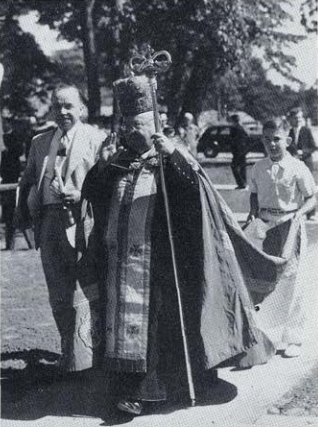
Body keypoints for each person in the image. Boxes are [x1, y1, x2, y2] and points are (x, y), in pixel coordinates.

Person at [81, 74, 278, 416]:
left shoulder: (174, 157)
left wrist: (172, 159)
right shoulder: (118, 161)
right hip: (119, 263)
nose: (130, 130)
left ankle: (154, 389)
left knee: (163, 326)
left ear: (155, 123)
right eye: (125, 123)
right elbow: (94, 194)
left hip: (163, 261)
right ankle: (125, 384)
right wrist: (100, 166)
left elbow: (194, 200)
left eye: (138, 123)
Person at [15, 83, 105, 374]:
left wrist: (82, 195)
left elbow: (107, 185)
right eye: (57, 105)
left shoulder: (97, 139)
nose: (63, 111)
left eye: (69, 105)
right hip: (49, 224)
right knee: (58, 293)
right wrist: (25, 209)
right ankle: (70, 354)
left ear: (81, 108)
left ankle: (93, 356)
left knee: (88, 290)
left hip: (82, 223)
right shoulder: (40, 142)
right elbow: (28, 179)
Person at [248, 120, 316, 358]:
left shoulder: (297, 167)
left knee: (293, 280)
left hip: (290, 225)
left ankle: (294, 338)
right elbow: (254, 195)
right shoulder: (258, 167)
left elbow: (311, 197)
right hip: (267, 226)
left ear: (287, 141)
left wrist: (300, 213)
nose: (272, 144)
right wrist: (253, 215)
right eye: (267, 139)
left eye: (276, 139)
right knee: (267, 280)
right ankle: (267, 335)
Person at [288, 107, 318, 220]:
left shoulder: (306, 130)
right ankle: (299, 212)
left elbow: (314, 147)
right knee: (296, 188)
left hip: (306, 163)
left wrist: (303, 152)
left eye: (300, 117)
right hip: (295, 164)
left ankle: (312, 213)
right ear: (291, 119)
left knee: (308, 188)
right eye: (295, 118)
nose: (298, 120)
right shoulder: (290, 131)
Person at [229, 114, 248, 189]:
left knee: (234, 166)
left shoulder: (234, 128)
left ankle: (240, 183)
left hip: (237, 150)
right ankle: (244, 182)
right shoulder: (242, 128)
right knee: (242, 166)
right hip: (243, 150)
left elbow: (232, 140)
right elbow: (247, 136)